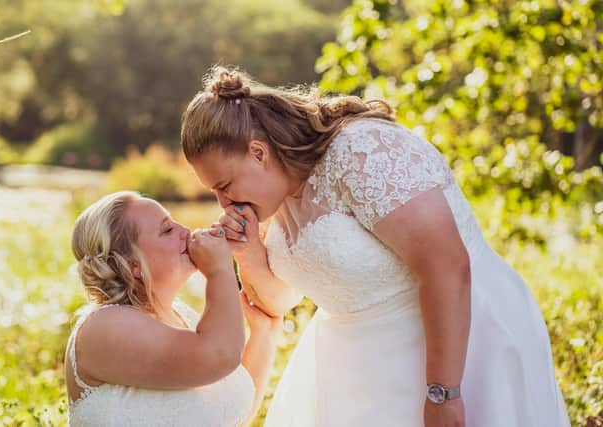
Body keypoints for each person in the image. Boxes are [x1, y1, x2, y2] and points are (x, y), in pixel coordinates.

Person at [180, 66, 571, 427]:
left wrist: (443, 393)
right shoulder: (274, 202)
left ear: (258, 152)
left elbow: (448, 266)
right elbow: (280, 303)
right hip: (357, 373)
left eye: (224, 186)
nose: (224, 204)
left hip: (459, 345)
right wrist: (248, 254)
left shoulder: (361, 152)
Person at [65, 190, 281, 426]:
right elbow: (219, 356)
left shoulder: (183, 316)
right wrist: (219, 270)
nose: (186, 231)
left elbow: (229, 414)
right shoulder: (103, 326)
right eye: (167, 230)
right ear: (132, 264)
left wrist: (263, 334)